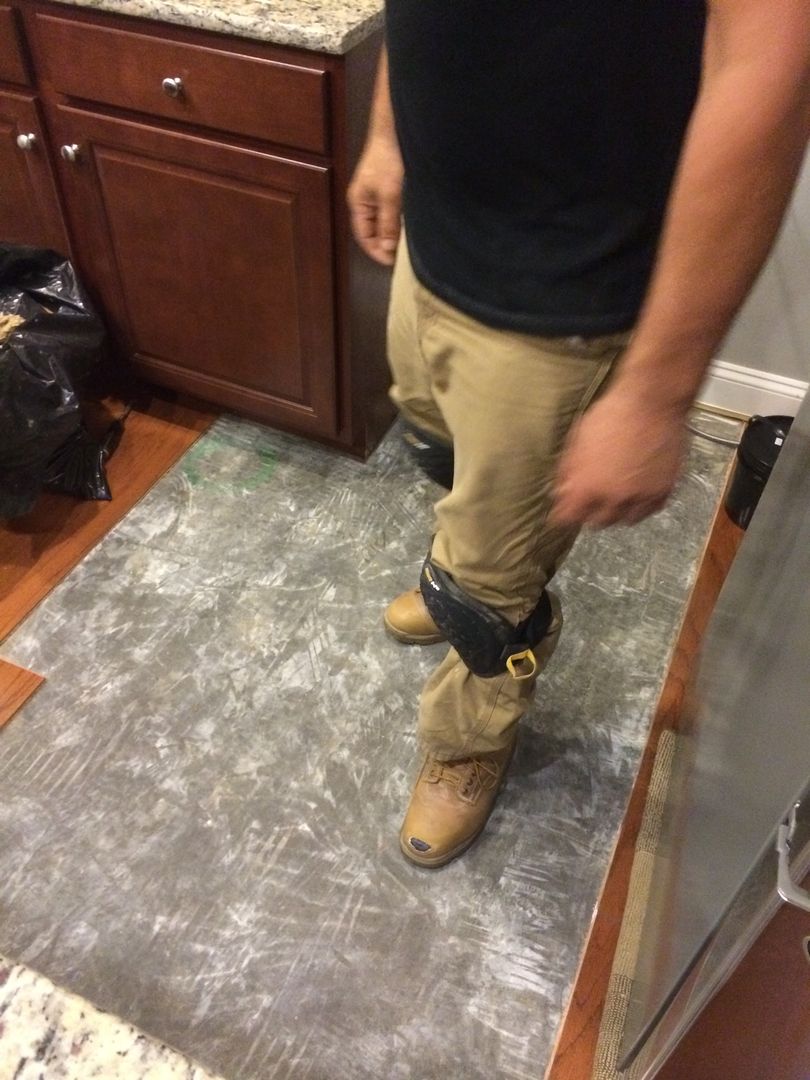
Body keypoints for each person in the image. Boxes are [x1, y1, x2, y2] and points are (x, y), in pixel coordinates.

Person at [347, 0, 810, 869]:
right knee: (440, 447)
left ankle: (469, 738)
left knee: (491, 595)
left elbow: (770, 79)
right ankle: (465, 568)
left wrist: (656, 396)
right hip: (438, 232)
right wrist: (387, 136)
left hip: (562, 290)